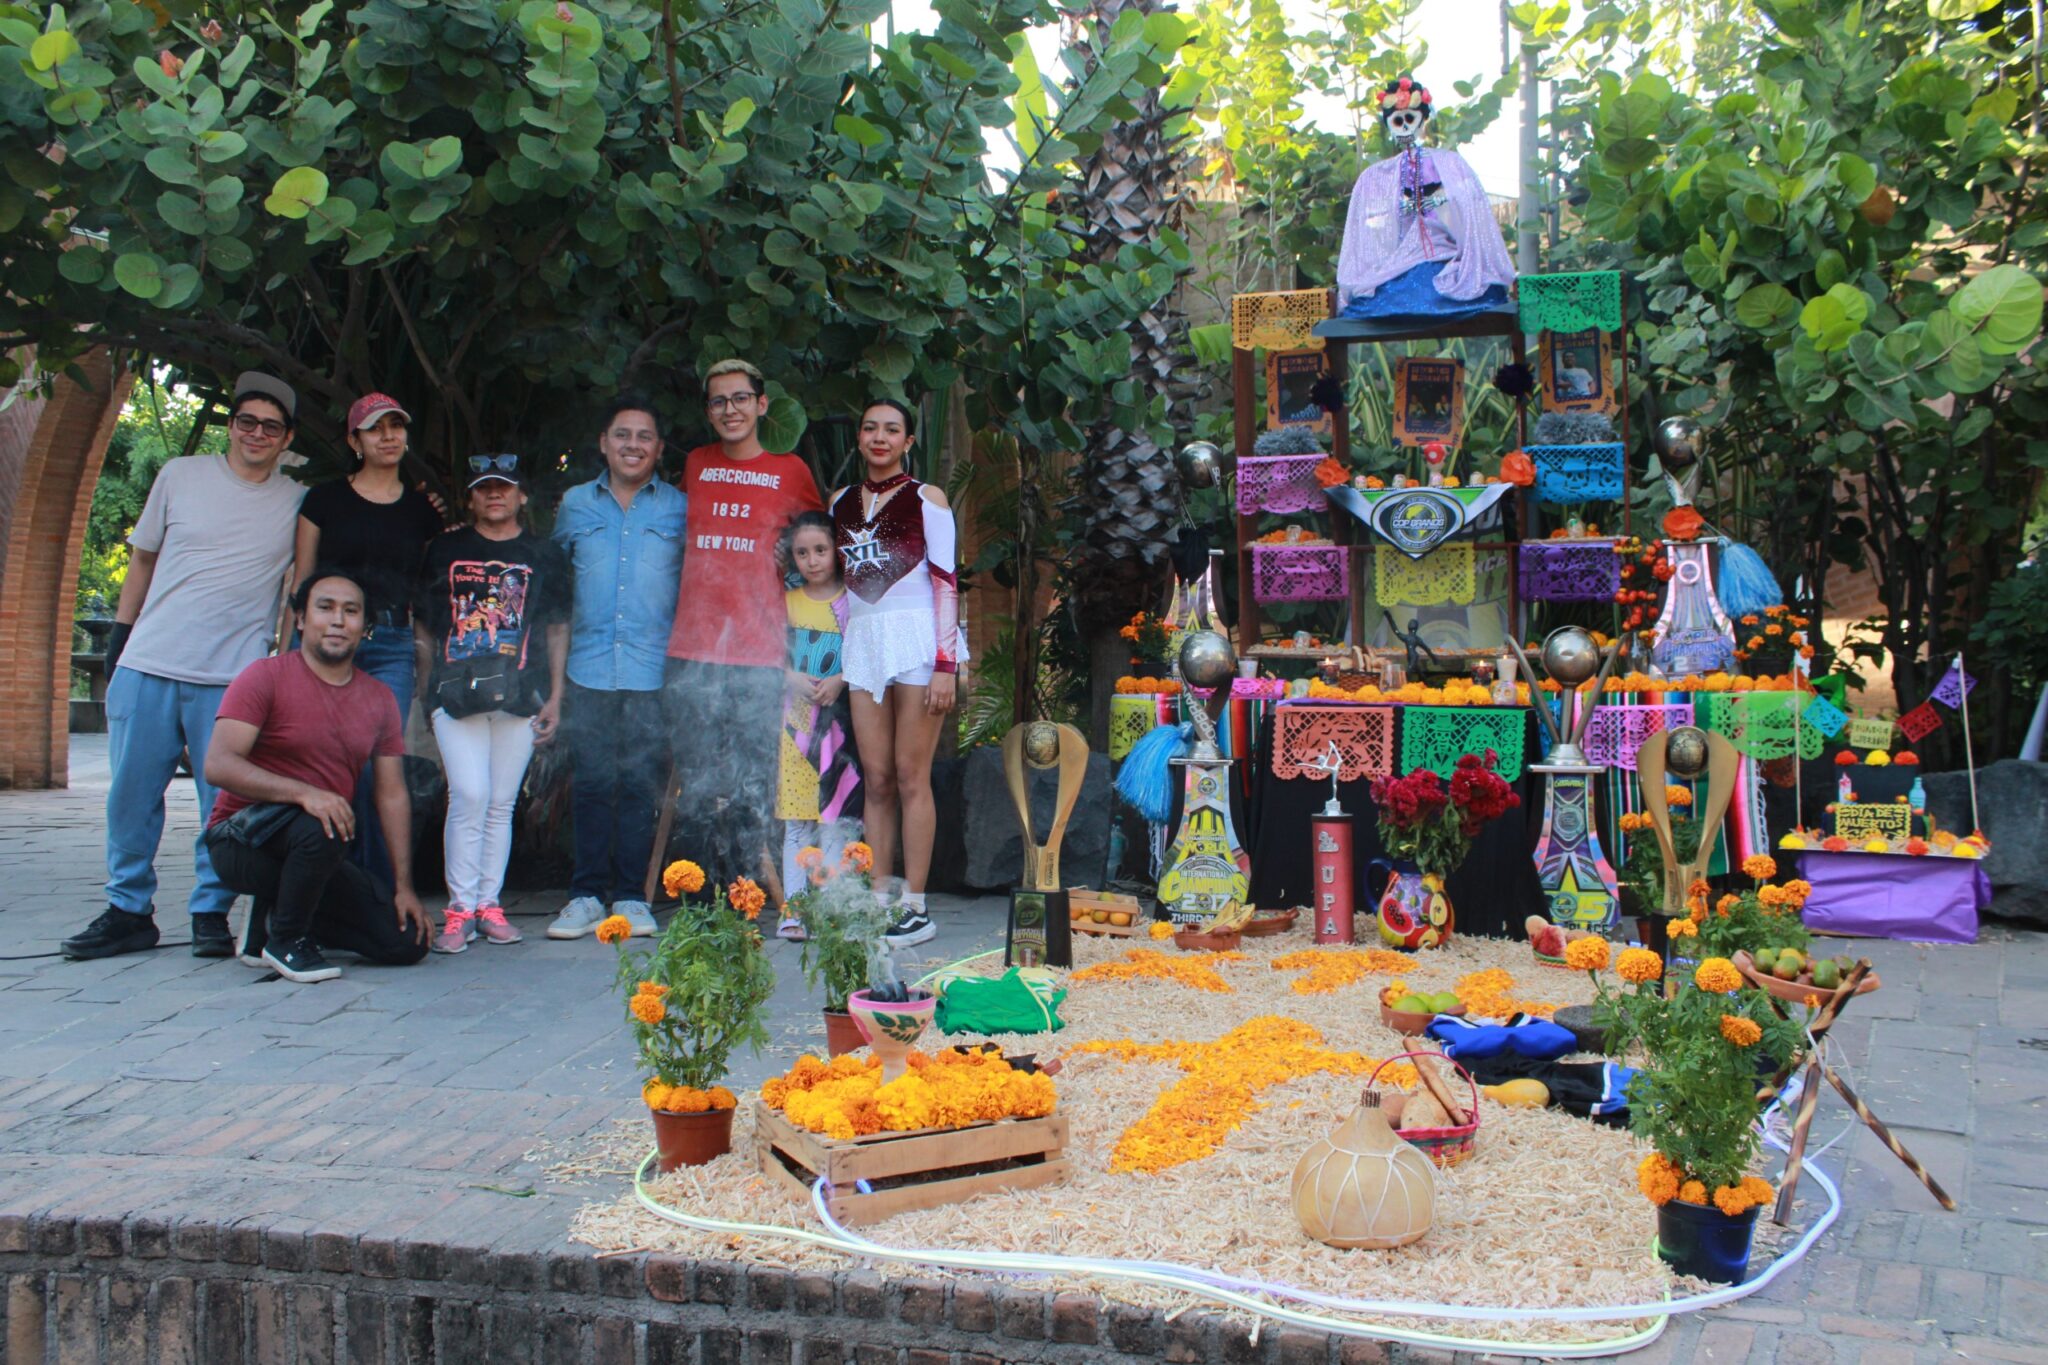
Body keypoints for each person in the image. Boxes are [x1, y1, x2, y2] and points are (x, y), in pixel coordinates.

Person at [63, 371, 307, 962]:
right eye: (246, 421)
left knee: (221, 804)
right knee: (130, 795)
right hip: (150, 661)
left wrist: (282, 667)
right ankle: (127, 910)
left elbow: (295, 589)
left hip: (232, 678)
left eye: (270, 427)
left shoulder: (297, 499)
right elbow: (142, 562)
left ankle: (210, 914)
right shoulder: (181, 476)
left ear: (286, 438)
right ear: (231, 426)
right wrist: (119, 649)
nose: (256, 433)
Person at [202, 569, 432, 982]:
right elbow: (219, 764)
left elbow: (392, 794)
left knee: (406, 942)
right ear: (303, 620)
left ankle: (273, 920)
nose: (338, 620)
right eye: (325, 608)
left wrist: (403, 886)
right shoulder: (264, 676)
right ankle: (286, 941)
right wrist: (304, 793)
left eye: (351, 611)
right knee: (323, 817)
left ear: (365, 627)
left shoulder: (378, 698)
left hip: (314, 847)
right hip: (242, 842)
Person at [664, 359, 824, 887]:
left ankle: (748, 895)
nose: (729, 409)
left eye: (739, 398)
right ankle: (706, 898)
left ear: (761, 405)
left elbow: (815, 552)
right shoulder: (696, 465)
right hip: (694, 650)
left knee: (754, 784)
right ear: (708, 411)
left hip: (760, 654)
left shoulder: (792, 471)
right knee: (702, 783)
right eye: (718, 401)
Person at [414, 455, 570, 953]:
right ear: (471, 498)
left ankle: (489, 905)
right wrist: (425, 687)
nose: (494, 495)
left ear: (522, 495)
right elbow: (423, 622)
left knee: (501, 803)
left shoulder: (544, 554)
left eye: (504, 487)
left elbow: (557, 627)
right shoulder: (444, 549)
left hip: (521, 695)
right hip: (454, 692)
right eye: (484, 488)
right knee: (469, 794)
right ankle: (459, 910)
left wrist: (558, 697)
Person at [293, 392, 445, 893]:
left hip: (392, 644)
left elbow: (424, 593)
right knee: (326, 760)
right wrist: (291, 654)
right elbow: (304, 582)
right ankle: (322, 880)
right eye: (376, 428)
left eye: (397, 427)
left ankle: (376, 888)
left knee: (383, 764)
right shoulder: (323, 500)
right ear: (354, 440)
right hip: (330, 645)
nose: (389, 437)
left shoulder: (424, 510)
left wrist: (424, 661)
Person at [547, 397, 686, 940]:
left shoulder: (679, 507)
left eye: (644, 436)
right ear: (604, 443)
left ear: (657, 449)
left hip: (652, 670)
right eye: (622, 435)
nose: (633, 445)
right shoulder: (575, 504)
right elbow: (557, 588)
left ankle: (630, 898)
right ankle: (583, 896)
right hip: (587, 667)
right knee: (591, 783)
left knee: (637, 785)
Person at [830, 399, 960, 947]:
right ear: (859, 438)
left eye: (892, 430)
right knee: (876, 779)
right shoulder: (838, 502)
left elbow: (947, 581)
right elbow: (841, 586)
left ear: (908, 441)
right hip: (865, 644)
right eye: (870, 428)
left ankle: (916, 906)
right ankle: (879, 898)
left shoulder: (926, 498)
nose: (879, 437)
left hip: (917, 640)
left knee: (911, 776)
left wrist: (946, 666)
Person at [774, 511, 861, 938]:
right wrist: (789, 675)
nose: (812, 560)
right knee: (798, 820)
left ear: (837, 552)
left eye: (821, 550)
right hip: (796, 727)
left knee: (834, 817)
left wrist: (839, 679)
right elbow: (773, 654)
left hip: (840, 729)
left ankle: (831, 908)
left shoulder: (850, 602)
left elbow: (862, 650)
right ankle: (794, 910)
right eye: (802, 553)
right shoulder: (786, 603)